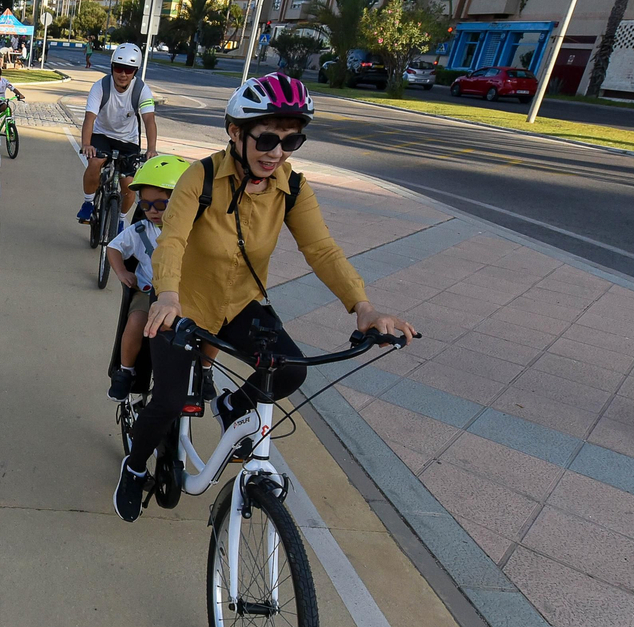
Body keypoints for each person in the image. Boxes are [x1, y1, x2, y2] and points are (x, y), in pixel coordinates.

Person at [113, 73, 417, 522]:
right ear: (236, 132)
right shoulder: (201, 176)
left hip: (239, 306)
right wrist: (168, 297)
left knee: (290, 370)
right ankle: (134, 467)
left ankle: (234, 406)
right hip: (184, 306)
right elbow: (172, 241)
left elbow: (322, 250)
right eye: (268, 138)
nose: (278, 152)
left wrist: (364, 307)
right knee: (170, 400)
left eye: (292, 140)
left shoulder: (292, 188)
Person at [106, 154, 187, 401]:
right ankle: (126, 372)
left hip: (184, 294)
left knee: (210, 326)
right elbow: (113, 247)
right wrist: (122, 272)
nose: (152, 211)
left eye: (161, 205)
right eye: (145, 205)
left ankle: (204, 374)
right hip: (149, 291)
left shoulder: (195, 230)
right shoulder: (140, 230)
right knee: (135, 323)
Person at [78, 43, 156, 225]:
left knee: (129, 185)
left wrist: (151, 149)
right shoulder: (100, 87)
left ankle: (120, 220)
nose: (123, 74)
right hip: (101, 134)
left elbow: (149, 120)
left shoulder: (141, 90)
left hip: (128, 139)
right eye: (119, 68)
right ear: (112, 67)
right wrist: (86, 144)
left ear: (135, 71)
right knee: (95, 161)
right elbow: (89, 118)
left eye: (128, 70)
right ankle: (88, 203)